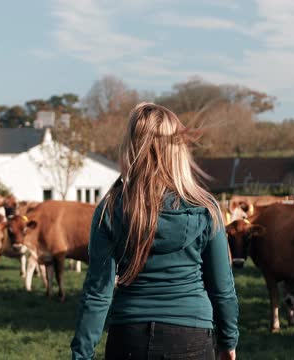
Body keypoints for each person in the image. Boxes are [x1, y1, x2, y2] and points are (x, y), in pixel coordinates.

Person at [70, 103, 239, 360]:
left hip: (129, 337)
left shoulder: (111, 208)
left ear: (131, 147)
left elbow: (98, 293)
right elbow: (222, 288)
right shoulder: (206, 208)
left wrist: (81, 354)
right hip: (191, 336)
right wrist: (228, 341)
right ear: (178, 150)